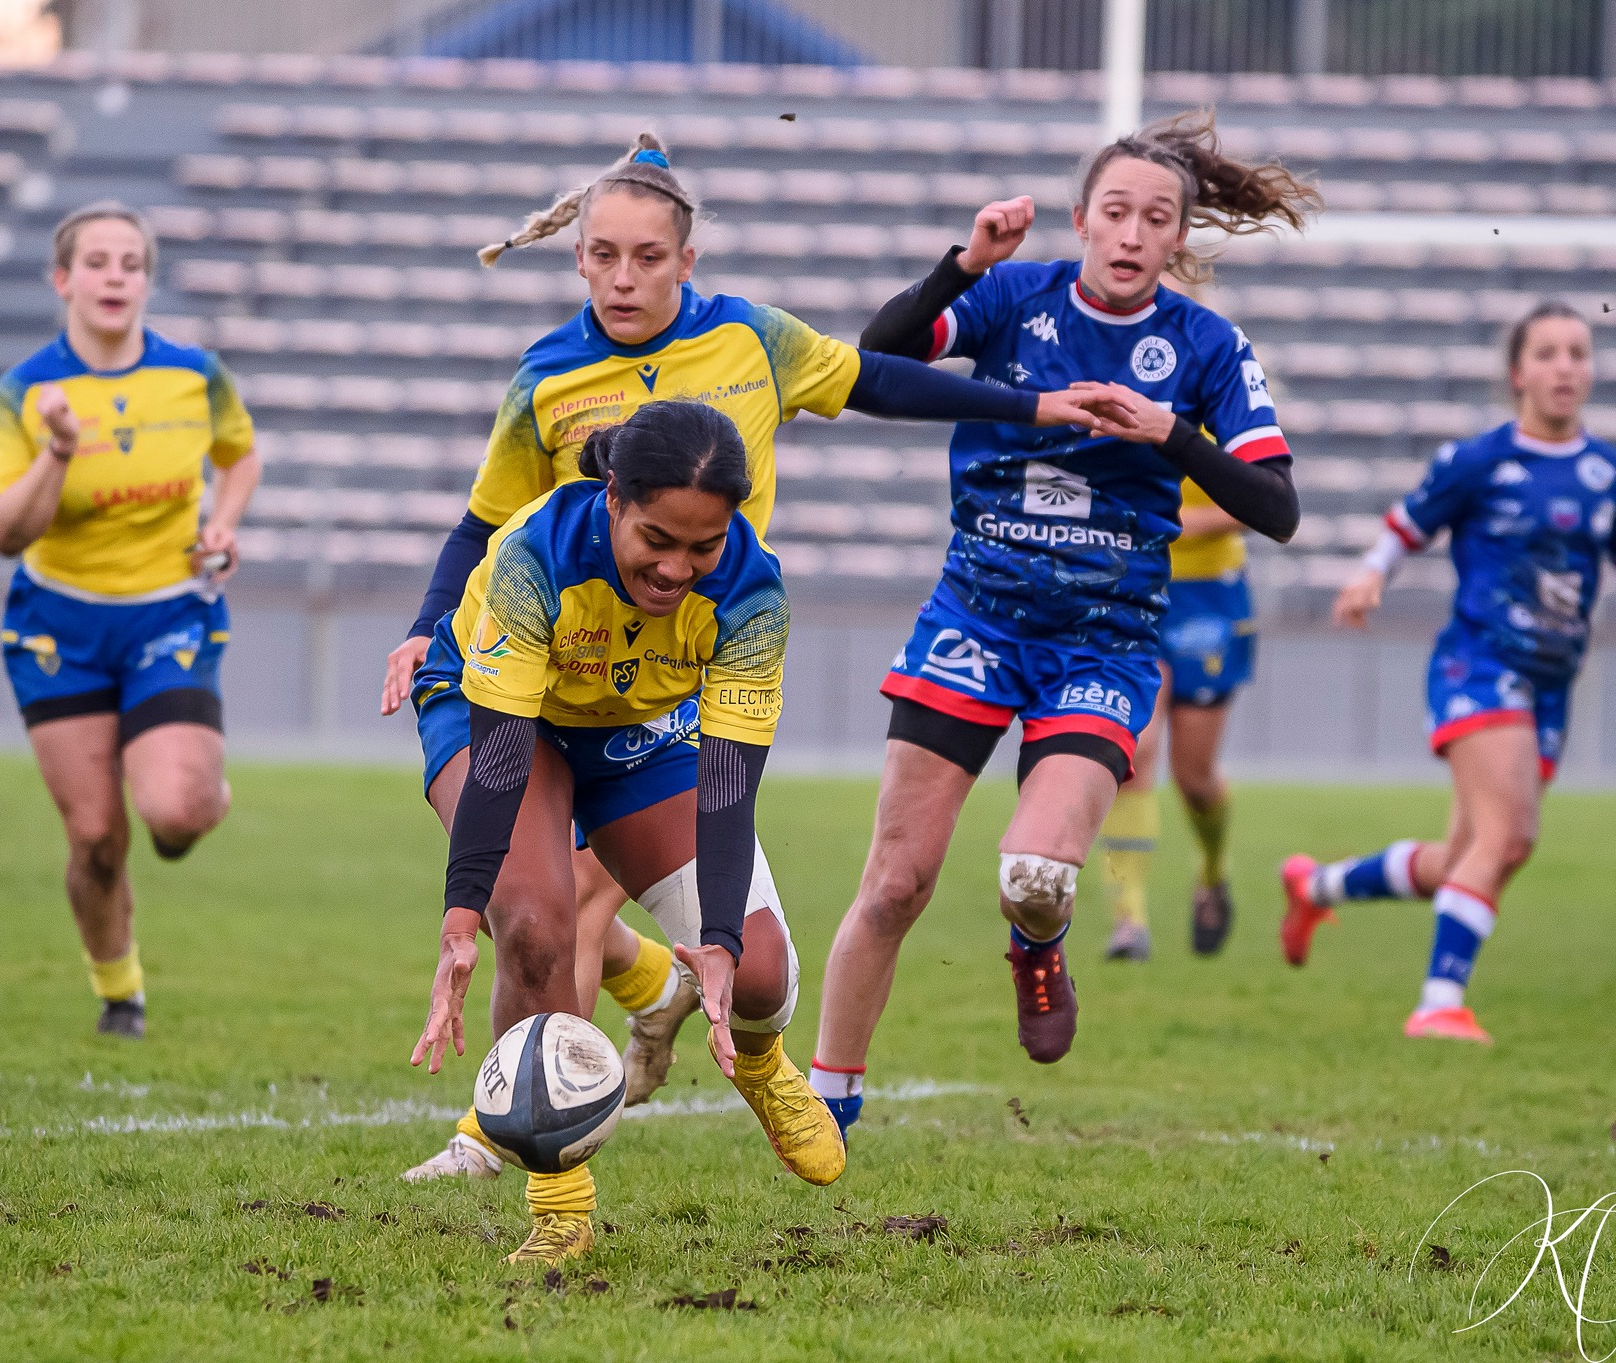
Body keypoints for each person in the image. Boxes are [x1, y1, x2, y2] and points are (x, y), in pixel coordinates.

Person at [387, 132, 1105, 1181]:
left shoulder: (751, 347)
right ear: (577, 257)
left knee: (672, 935)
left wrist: (1032, 405)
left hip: (672, 680)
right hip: (537, 669)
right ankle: (529, 1156)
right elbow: (484, 524)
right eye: (602, 256)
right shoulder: (545, 382)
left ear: (687, 260)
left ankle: (693, 1016)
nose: (623, 277)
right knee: (536, 915)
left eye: (646, 256)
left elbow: (877, 380)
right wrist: (426, 622)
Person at [808, 112, 1310, 1139]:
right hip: (975, 618)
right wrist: (962, 264)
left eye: (1156, 219)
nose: (1132, 233)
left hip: (1103, 641)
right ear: (1081, 220)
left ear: (1178, 238)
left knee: (1034, 877)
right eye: (1115, 211)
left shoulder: (1207, 347)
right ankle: (826, 1107)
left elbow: (1277, 508)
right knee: (895, 883)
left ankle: (1037, 945)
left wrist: (1171, 433)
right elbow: (873, 363)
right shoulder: (1010, 296)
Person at [408, 402, 830, 1266]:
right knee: (535, 924)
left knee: (759, 970)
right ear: (612, 498)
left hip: (633, 728)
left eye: (703, 546)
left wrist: (717, 940)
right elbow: (500, 761)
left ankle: (760, 1065)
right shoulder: (536, 557)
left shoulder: (752, 593)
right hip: (503, 719)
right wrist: (461, 919)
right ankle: (559, 1206)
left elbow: (727, 783)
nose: (676, 568)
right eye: (656, 539)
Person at [1279, 302, 1616, 1044]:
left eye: (1578, 353)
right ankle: (1438, 1004)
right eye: (1547, 353)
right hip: (1481, 665)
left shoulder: (1608, 471)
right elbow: (1407, 523)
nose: (1565, 367)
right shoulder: (1480, 460)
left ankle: (1315, 885)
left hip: (1552, 681)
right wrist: (1369, 574)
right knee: (1509, 838)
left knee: (1464, 856)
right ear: (1518, 373)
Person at [0, 201, 260, 1041]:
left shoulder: (196, 375)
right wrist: (59, 450)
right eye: (97, 263)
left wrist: (223, 524)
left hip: (167, 613)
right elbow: (5, 532)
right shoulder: (24, 392)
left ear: (146, 280)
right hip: (56, 628)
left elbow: (240, 454)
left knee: (175, 812)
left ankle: (195, 788)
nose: (115, 277)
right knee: (97, 835)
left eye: (131, 264)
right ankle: (120, 991)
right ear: (62, 280)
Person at [1096, 477, 1257, 961]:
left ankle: (1212, 871)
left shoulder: (1226, 427)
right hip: (1130, 585)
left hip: (1209, 597)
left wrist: (1169, 522)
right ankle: (1128, 921)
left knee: (1195, 779)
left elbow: (1261, 502)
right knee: (1134, 751)